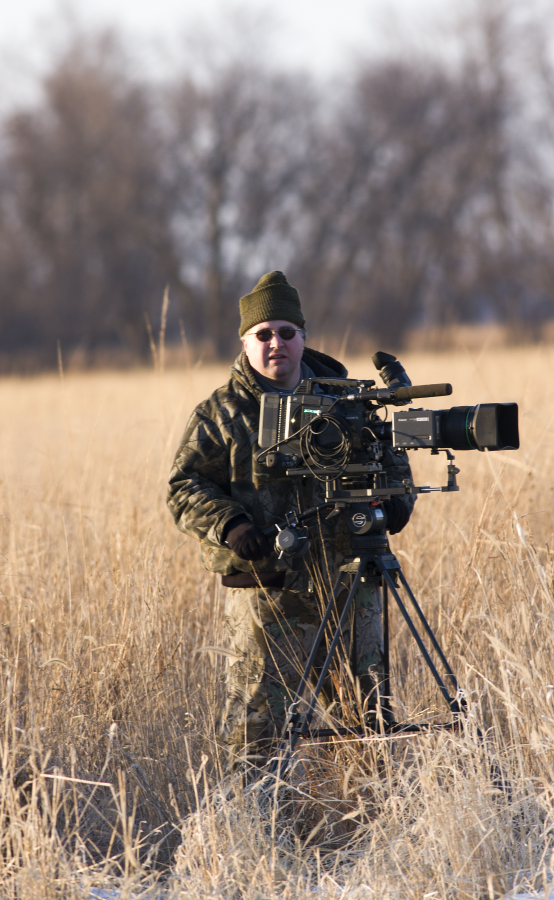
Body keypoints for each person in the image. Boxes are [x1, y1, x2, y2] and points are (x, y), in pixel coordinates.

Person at [167, 271, 415, 767]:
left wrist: (392, 505)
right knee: (256, 728)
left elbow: (392, 463)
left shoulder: (349, 399)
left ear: (303, 337)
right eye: (263, 334)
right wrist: (233, 526)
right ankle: (251, 834)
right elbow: (184, 486)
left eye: (286, 332)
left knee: (367, 718)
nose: (275, 343)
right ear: (245, 342)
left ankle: (367, 823)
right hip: (270, 587)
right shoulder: (221, 413)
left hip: (350, 577)